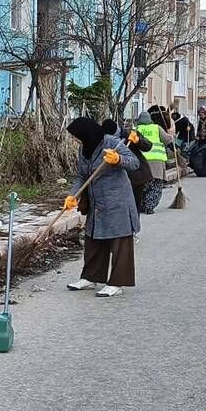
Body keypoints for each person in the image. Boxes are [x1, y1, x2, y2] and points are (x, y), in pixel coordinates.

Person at [64, 116, 140, 297]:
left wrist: (118, 159)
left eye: (76, 136)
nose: (75, 140)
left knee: (119, 242)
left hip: (117, 201)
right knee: (94, 239)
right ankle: (90, 277)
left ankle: (116, 282)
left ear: (86, 133)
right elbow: (82, 176)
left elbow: (134, 163)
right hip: (97, 201)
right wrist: (73, 195)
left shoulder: (112, 143)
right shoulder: (84, 149)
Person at [102, 118, 154, 213]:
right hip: (118, 180)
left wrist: (138, 140)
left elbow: (148, 146)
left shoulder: (129, 134)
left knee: (133, 208)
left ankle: (134, 226)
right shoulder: (105, 140)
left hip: (136, 177)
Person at [133, 111, 173, 214]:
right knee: (155, 186)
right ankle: (149, 206)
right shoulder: (157, 128)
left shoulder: (136, 129)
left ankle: (141, 205)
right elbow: (167, 140)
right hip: (156, 163)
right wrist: (171, 134)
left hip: (142, 163)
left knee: (143, 186)